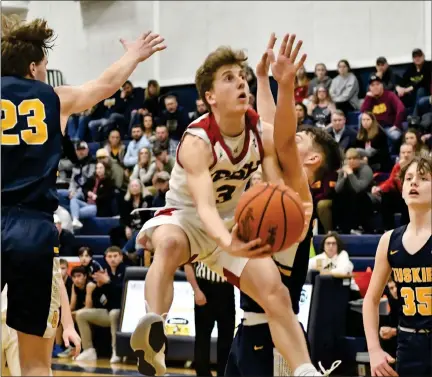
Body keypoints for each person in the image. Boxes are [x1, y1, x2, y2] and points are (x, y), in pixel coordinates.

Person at [131, 33, 341, 376]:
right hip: (189, 217)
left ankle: (305, 370)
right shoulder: (197, 141)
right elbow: (203, 207)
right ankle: (153, 333)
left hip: (232, 221)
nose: (240, 83)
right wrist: (229, 242)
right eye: (230, 78)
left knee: (277, 294)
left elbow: (279, 156)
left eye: (242, 77)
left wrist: (280, 83)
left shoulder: (261, 134)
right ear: (209, 96)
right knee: (168, 244)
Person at [1, 14, 165, 376]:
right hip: (32, 229)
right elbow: (105, 84)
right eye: (45, 64)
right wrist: (134, 56)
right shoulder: (54, 98)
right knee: (34, 365)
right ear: (33, 66)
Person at [225, 34, 342, 377]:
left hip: (274, 336)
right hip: (248, 330)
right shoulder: (278, 177)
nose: (290, 138)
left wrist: (286, 85)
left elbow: (283, 137)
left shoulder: (298, 191)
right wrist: (263, 80)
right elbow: (272, 131)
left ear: (314, 158)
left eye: (301, 138)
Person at [363, 156, 432, 377]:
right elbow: (371, 300)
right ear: (401, 191)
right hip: (408, 344)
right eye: (409, 178)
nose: (414, 183)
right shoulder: (389, 240)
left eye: (423, 178)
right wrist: (374, 350)